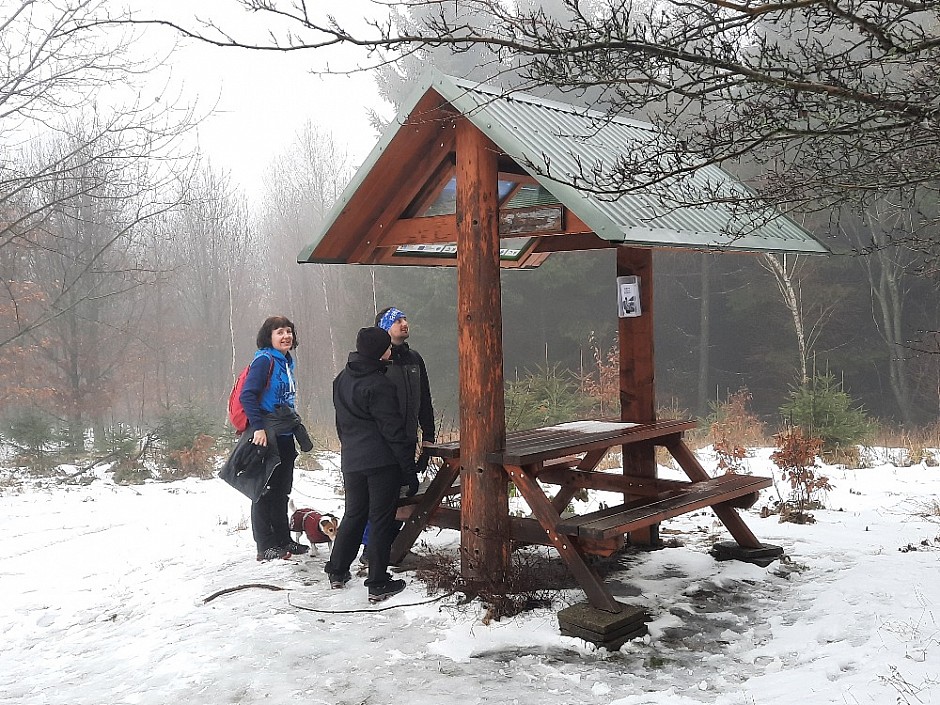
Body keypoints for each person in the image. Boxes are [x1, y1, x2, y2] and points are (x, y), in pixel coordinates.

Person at [325, 326, 415, 603]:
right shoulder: (380, 384)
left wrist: (350, 449)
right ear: (378, 351)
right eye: (387, 347)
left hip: (352, 459)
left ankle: (337, 571)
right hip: (380, 461)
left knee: (354, 514)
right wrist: (408, 470)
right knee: (380, 519)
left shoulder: (341, 379)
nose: (391, 351)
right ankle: (378, 582)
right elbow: (393, 431)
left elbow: (341, 424)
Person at [359, 306, 436, 562]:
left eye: (405, 318)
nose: (404, 324)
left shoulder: (414, 358)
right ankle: (371, 550)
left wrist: (429, 437)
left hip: (408, 439)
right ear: (384, 327)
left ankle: (392, 545)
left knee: (403, 492)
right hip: (381, 443)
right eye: (397, 320)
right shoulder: (377, 362)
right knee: (380, 498)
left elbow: (425, 399)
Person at [239, 315, 311, 561]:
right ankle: (265, 545)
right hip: (265, 435)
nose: (286, 336)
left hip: (285, 434)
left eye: (289, 331)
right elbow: (247, 396)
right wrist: (257, 427)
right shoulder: (264, 361)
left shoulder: (286, 362)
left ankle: (283, 540)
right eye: (279, 332)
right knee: (264, 491)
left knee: (282, 490)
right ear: (269, 337)